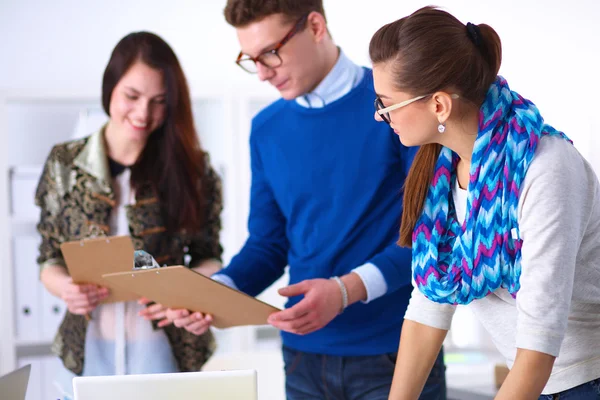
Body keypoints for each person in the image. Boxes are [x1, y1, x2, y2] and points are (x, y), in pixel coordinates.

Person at [167, 1, 447, 399]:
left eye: (269, 53)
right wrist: (217, 291)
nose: (262, 73)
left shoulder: (397, 105)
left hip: (397, 351)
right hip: (302, 361)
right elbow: (268, 245)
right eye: (251, 59)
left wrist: (347, 290)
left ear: (315, 26)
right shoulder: (266, 129)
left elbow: (432, 236)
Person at [369, 6, 600, 400]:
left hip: (583, 380)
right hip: (531, 380)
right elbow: (430, 302)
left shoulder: (546, 168)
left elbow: (539, 340)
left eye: (385, 104)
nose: (380, 117)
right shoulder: (440, 171)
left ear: (439, 105)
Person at [35, 31, 223, 399]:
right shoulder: (65, 163)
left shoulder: (193, 168)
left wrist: (184, 291)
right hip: (88, 348)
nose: (143, 114)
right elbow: (48, 259)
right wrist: (67, 289)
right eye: (132, 96)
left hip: (164, 350)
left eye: (159, 101)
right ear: (110, 88)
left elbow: (209, 256)